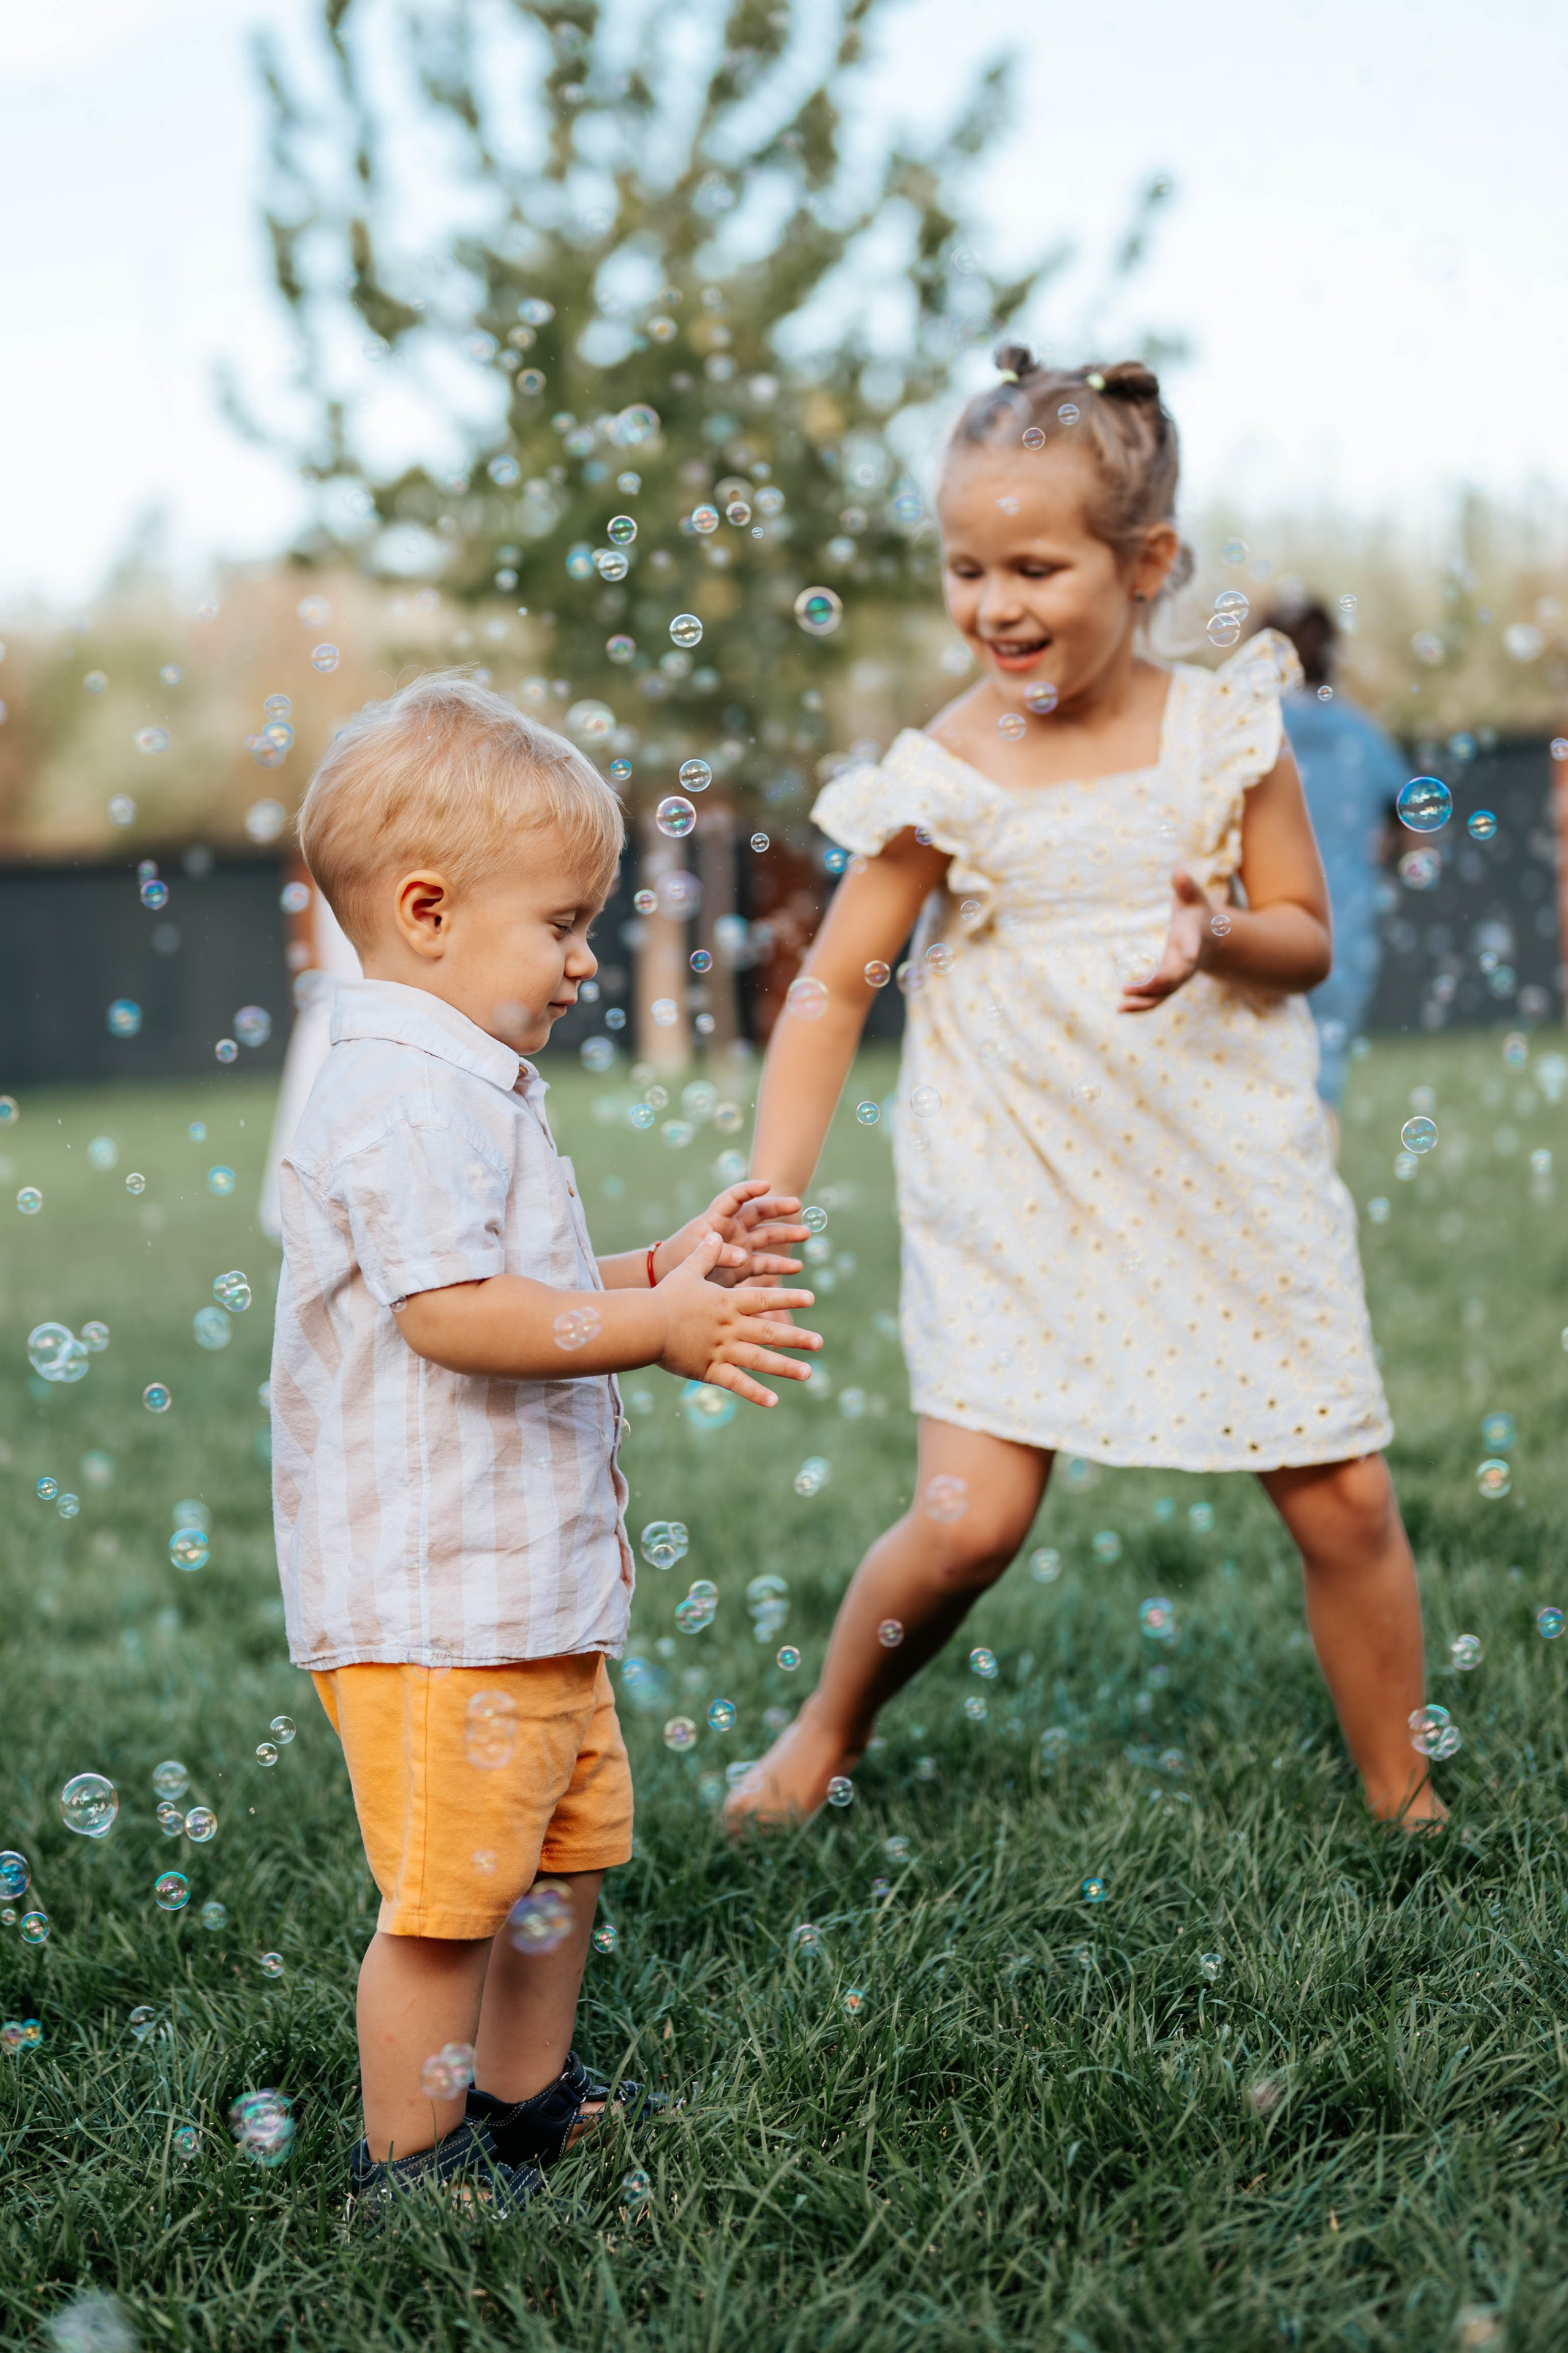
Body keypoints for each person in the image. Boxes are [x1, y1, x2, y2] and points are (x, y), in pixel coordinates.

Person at [725, 350, 1443, 1838]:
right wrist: (770, 1184)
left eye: (1032, 565)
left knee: (1343, 1497)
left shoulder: (1226, 729)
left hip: (1218, 1154)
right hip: (1015, 1170)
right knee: (968, 1518)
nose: (992, 604)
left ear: (1145, 562)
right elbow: (830, 985)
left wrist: (1215, 935)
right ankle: (824, 1730)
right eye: (962, 567)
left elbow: (1303, 937)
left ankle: (1403, 1792)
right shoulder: (945, 767)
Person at [273, 673, 817, 2213]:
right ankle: (413, 2157)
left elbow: (531, 1288)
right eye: (564, 924)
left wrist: (660, 1263)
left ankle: (523, 2098)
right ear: (429, 910)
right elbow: (452, 1311)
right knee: (449, 1900)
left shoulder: (468, 1081)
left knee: (553, 1866)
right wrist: (654, 1328)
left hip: (525, 1590)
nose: (586, 961)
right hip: (437, 1599)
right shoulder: (397, 1088)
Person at [1262, 594, 1404, 1110]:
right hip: (1342, 932)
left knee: (1257, 1083)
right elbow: (1412, 822)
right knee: (1323, 1081)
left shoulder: (1246, 728)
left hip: (1256, 931)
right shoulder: (1362, 732)